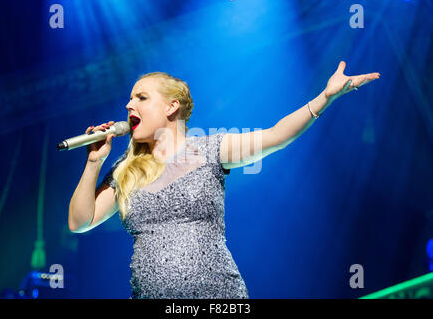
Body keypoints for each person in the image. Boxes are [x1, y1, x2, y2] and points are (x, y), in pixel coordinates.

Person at [68, 62, 380, 299]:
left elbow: (276, 136)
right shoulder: (127, 170)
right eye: (130, 99)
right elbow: (80, 222)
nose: (128, 105)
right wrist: (94, 162)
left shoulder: (211, 149)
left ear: (170, 107)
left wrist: (325, 97)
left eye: (141, 97)